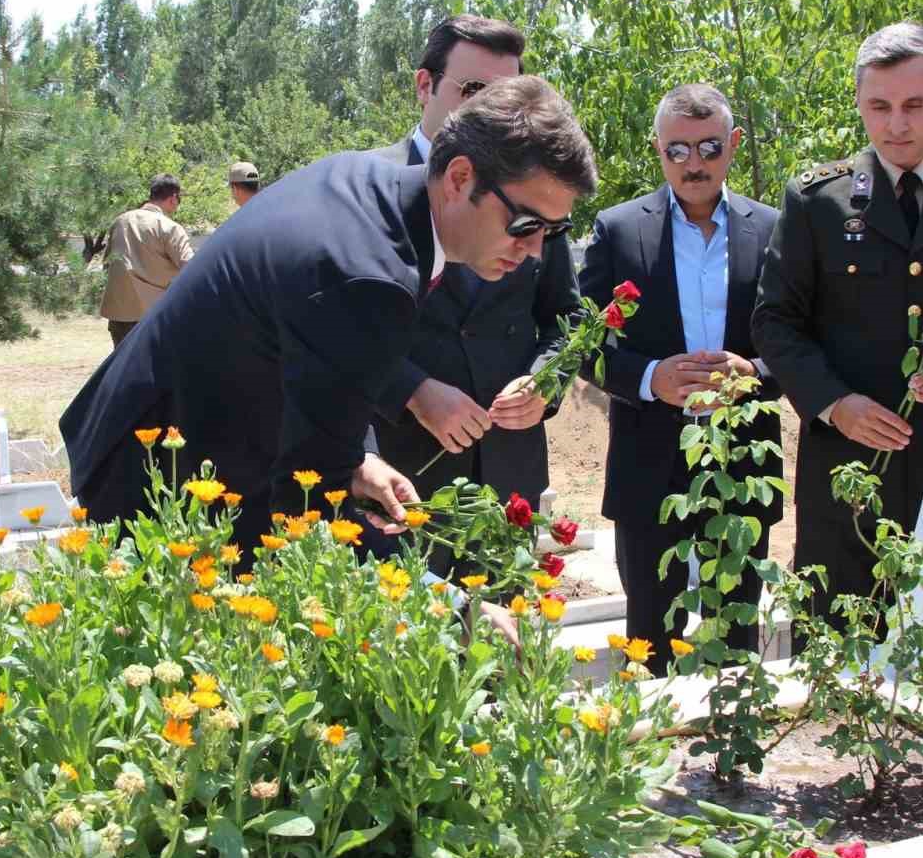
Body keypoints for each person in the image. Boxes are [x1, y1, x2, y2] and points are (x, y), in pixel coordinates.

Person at [61, 76, 595, 564]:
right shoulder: (373, 278)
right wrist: (448, 607)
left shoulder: (372, 184)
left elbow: (307, 368)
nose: (533, 251)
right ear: (459, 178)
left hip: (184, 450)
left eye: (553, 231)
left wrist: (356, 461)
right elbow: (310, 505)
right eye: (526, 224)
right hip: (162, 490)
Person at [752, 21, 923, 630]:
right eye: (879, 107)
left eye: (914, 105)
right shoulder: (817, 201)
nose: (897, 124)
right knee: (837, 638)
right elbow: (775, 322)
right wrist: (834, 403)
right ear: (859, 103)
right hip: (845, 467)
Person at [578, 84, 781, 675]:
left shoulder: (774, 231)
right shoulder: (617, 231)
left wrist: (756, 375)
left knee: (737, 631)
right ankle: (650, 760)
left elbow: (799, 338)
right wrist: (648, 378)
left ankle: (729, 752)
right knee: (649, 636)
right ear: (658, 150)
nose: (694, 164)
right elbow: (586, 343)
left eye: (710, 147)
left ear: (734, 146)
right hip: (649, 464)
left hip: (741, 463)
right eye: (678, 151)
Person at [365, 16, 575, 556]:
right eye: (473, 90)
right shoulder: (371, 189)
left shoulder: (536, 194)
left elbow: (566, 318)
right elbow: (334, 330)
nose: (488, 110)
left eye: (504, 95)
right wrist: (412, 390)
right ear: (424, 86)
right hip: (401, 473)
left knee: (500, 635)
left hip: (508, 474)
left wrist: (543, 384)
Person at [98, 173, 195, 348]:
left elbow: (107, 263)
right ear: (173, 198)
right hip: (154, 316)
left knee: (123, 371)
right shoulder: (170, 228)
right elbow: (191, 268)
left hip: (119, 315)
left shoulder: (120, 221)